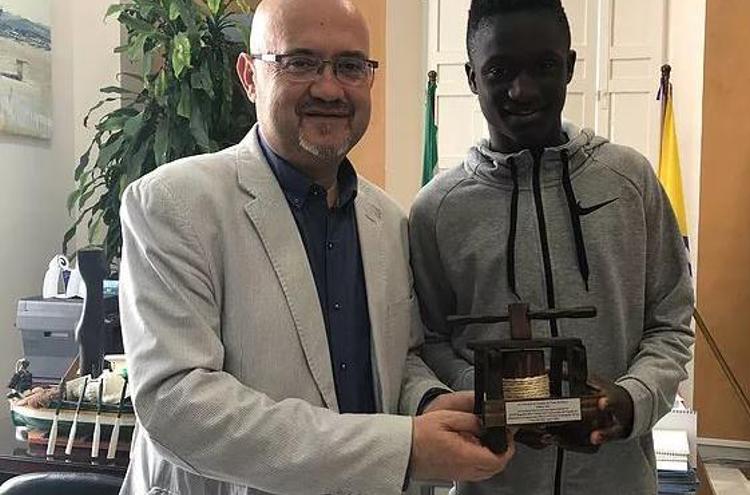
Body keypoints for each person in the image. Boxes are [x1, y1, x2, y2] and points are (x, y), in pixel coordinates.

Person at [117, 0, 512, 493]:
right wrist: (402, 448)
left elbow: (399, 358)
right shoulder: (174, 203)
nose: (329, 88)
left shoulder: (388, 220)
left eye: (349, 66)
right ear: (250, 77)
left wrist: (428, 403)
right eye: (299, 62)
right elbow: (179, 404)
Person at [409, 0, 694, 493]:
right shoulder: (437, 210)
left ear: (570, 66)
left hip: (620, 479)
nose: (522, 90)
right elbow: (429, 340)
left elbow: (670, 322)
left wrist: (631, 400)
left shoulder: (630, 181)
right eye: (499, 70)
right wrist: (488, 396)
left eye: (544, 66)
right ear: (472, 77)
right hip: (494, 481)